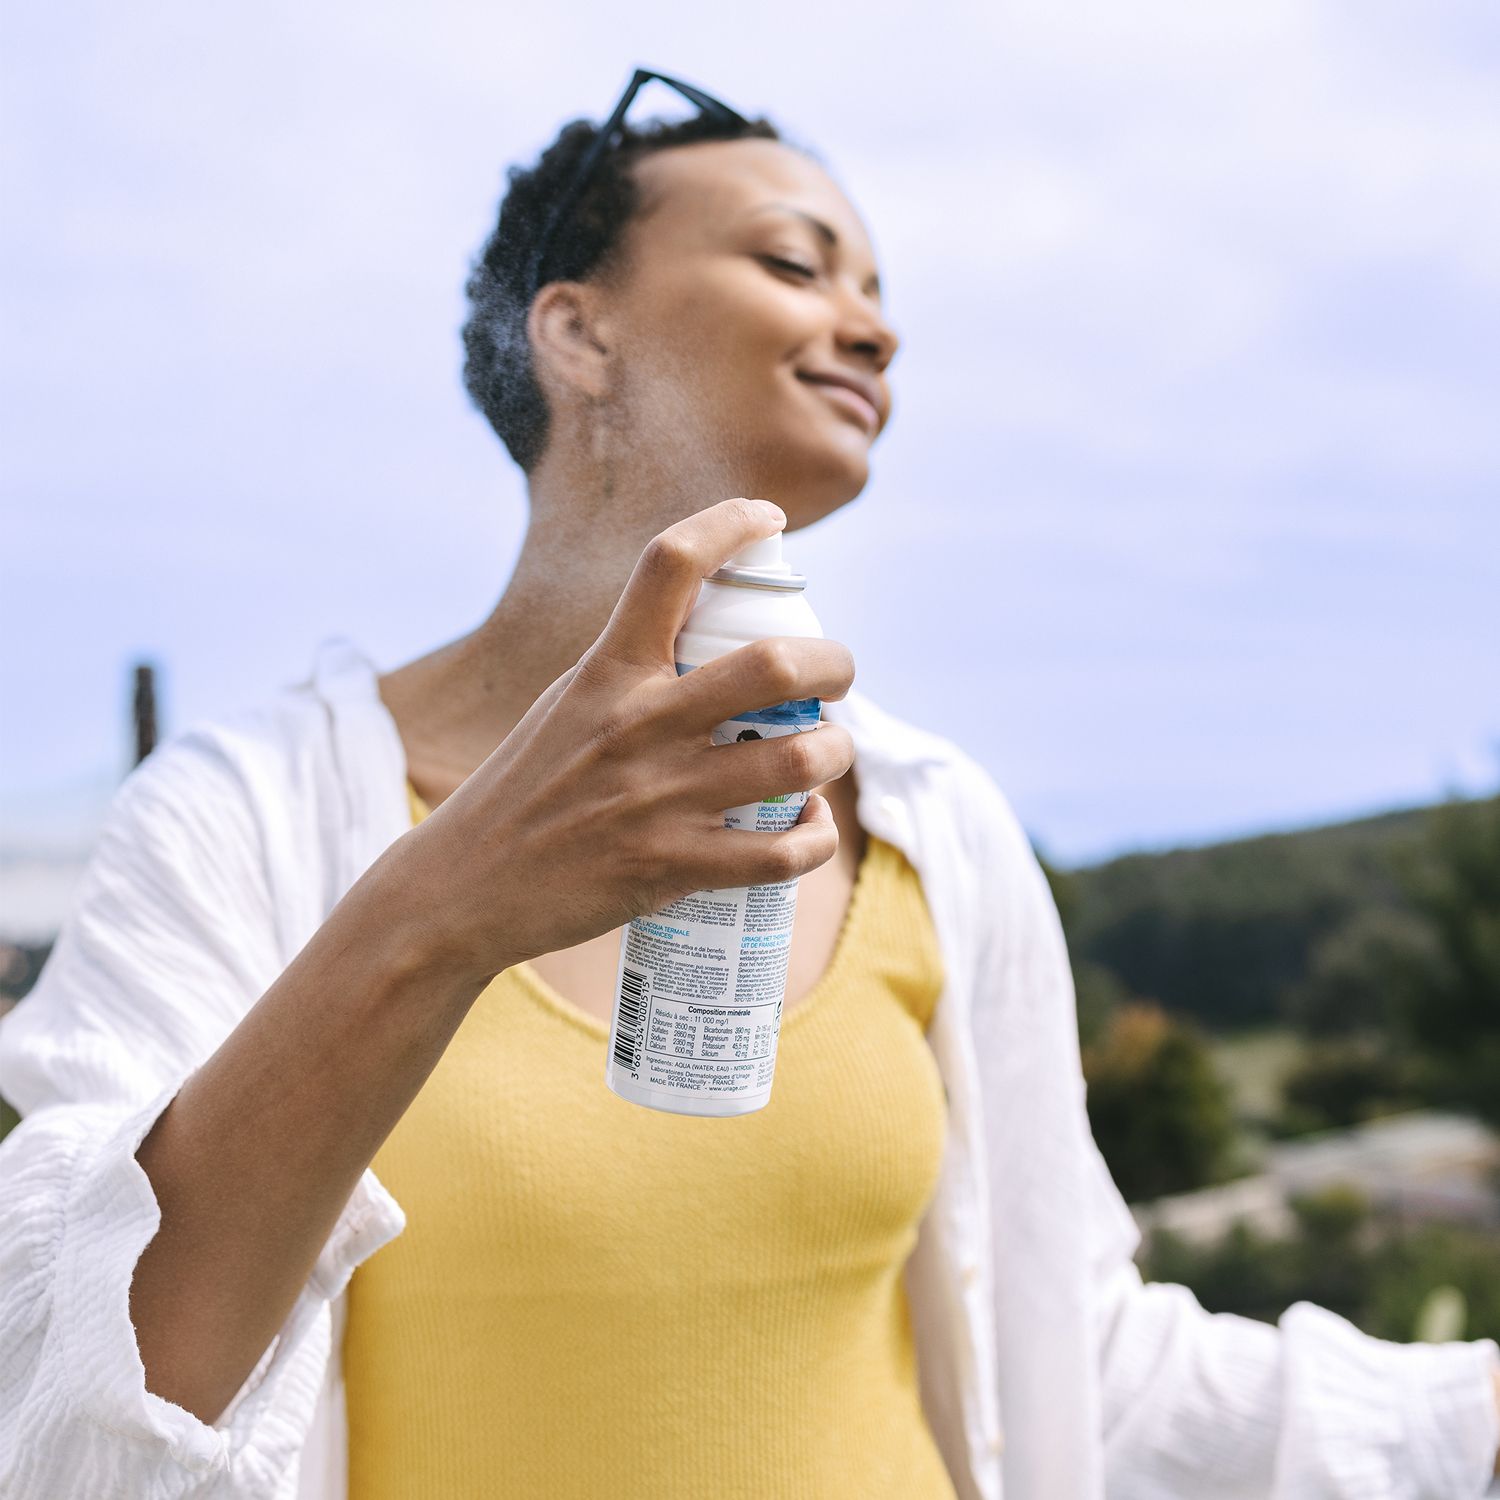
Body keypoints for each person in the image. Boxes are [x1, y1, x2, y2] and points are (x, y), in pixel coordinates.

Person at [1, 68, 1497, 1500]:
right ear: (577, 334)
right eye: (800, 262)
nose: (873, 328)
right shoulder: (239, 820)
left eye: (882, 294)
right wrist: (447, 907)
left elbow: (1072, 1360)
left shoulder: (935, 830)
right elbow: (74, 1408)